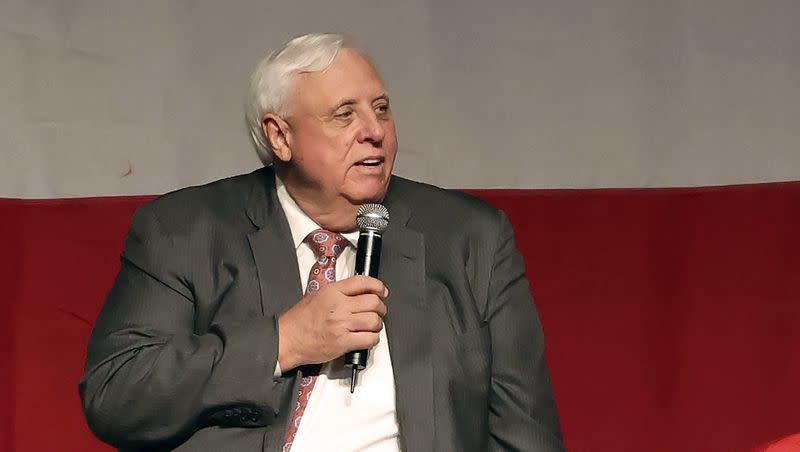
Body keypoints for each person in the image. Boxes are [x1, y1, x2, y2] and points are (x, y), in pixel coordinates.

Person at [79, 33, 564, 452]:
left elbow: (525, 433)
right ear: (280, 137)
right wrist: (285, 341)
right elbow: (116, 395)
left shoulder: (471, 238)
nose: (374, 132)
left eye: (381, 109)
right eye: (343, 115)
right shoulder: (184, 231)